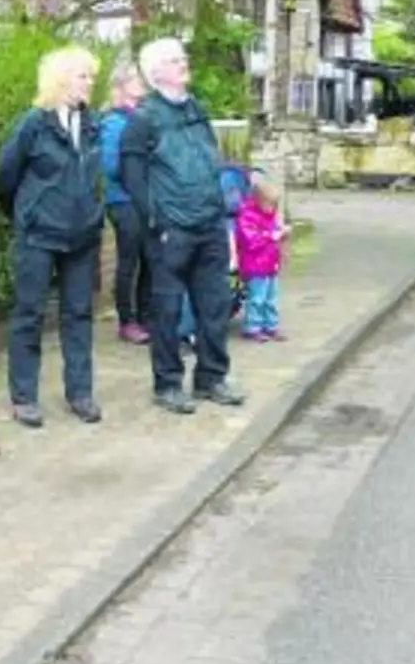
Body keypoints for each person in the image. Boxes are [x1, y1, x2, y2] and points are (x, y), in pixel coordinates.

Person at [117, 38, 247, 415]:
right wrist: (157, 220)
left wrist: (220, 213)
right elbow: (132, 176)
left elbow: (211, 160)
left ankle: (211, 378)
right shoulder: (144, 119)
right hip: (172, 230)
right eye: (175, 60)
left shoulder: (197, 109)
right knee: (168, 311)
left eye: (182, 58)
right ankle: (168, 384)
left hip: (209, 223)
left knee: (215, 306)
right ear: (156, 72)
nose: (184, 63)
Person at [0, 46, 106, 427]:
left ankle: (81, 393)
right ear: (60, 79)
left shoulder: (93, 125)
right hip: (39, 236)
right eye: (82, 76)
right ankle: (24, 396)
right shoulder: (33, 125)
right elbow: (5, 178)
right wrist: (27, 215)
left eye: (91, 76)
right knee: (29, 314)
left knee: (79, 314)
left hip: (82, 238)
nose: (90, 83)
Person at [99, 57, 155, 345]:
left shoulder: (143, 116)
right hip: (122, 199)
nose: (142, 85)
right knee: (128, 259)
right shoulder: (113, 121)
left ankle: (146, 317)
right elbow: (110, 166)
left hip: (144, 198)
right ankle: (127, 320)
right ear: (121, 86)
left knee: (149, 257)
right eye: (136, 80)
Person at [234, 175, 290, 342]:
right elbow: (250, 241)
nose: (272, 209)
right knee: (257, 298)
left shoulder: (270, 216)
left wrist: (282, 235)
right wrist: (271, 236)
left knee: (271, 297)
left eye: (274, 205)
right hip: (255, 265)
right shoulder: (247, 216)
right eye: (269, 205)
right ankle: (253, 327)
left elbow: (276, 235)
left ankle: (271, 325)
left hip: (270, 263)